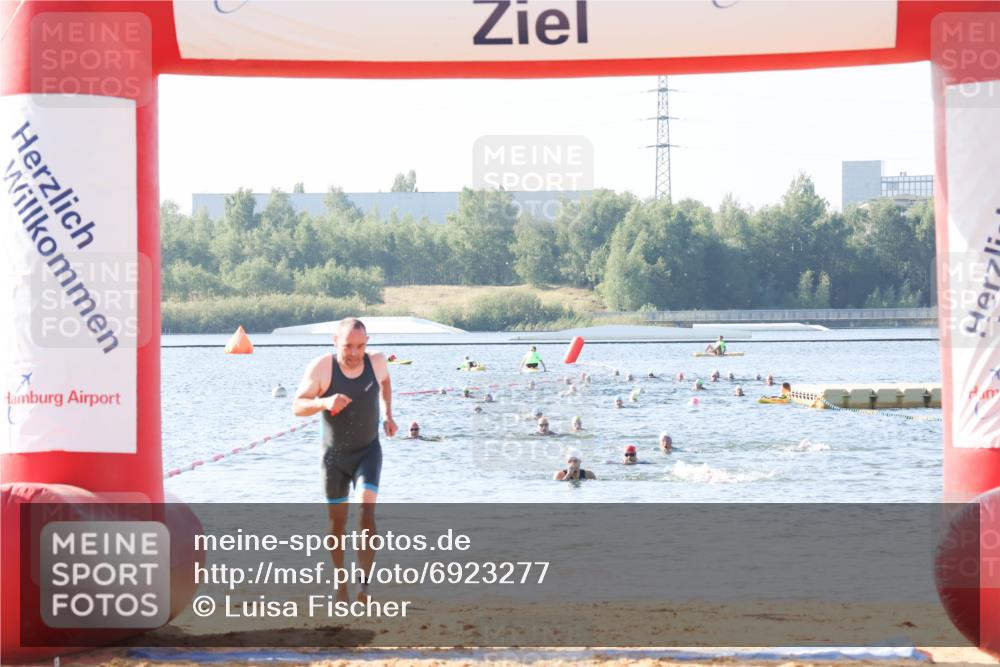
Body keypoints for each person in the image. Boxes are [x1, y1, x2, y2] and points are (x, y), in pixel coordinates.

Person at [293, 317, 397, 603]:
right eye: (348, 346)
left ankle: (364, 587)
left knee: (366, 511)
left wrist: (388, 414)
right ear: (335, 342)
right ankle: (341, 583)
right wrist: (324, 402)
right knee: (337, 526)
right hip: (334, 458)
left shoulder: (376, 362)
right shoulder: (322, 367)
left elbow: (386, 381)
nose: (354, 353)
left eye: (360, 346)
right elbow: (298, 405)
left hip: (368, 451)